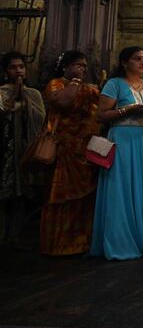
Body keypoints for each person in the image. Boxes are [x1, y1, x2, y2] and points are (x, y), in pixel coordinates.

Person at [90, 46, 143, 260]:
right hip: (123, 139)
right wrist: (128, 109)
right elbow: (101, 115)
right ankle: (119, 241)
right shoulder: (115, 84)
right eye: (137, 59)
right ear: (125, 62)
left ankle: (142, 238)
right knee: (121, 188)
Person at [40, 51, 100, 256]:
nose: (82, 69)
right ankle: (57, 244)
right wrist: (74, 83)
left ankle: (81, 243)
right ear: (65, 66)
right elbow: (63, 103)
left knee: (84, 198)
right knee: (61, 196)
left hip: (84, 147)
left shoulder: (88, 89)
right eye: (77, 65)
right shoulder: (56, 84)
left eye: (84, 66)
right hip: (64, 148)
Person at [0, 52, 45, 250]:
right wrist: (14, 101)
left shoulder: (33, 94)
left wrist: (24, 101)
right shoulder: (2, 92)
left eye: (21, 67)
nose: (18, 70)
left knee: (22, 195)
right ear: (5, 71)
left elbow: (41, 118)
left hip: (25, 150)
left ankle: (15, 235)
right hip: (5, 149)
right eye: (13, 67)